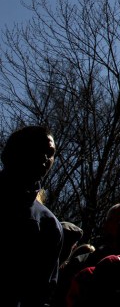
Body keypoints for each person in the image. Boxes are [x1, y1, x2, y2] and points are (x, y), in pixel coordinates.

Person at [0, 124, 63, 307]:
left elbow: (41, 292)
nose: (45, 158)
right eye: (38, 149)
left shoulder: (48, 224)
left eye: (50, 153)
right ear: (15, 152)